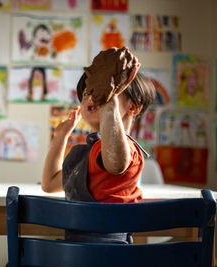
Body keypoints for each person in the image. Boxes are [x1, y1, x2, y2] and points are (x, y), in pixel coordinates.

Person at [41, 48, 155, 244]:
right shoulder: (88, 153)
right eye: (87, 92)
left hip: (112, 254)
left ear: (133, 107)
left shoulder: (127, 150)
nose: (92, 95)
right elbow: (49, 184)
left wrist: (107, 103)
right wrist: (60, 136)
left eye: (103, 89)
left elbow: (116, 164)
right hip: (76, 253)